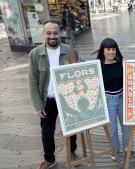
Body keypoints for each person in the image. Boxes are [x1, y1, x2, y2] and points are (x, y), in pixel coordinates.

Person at [28, 20, 79, 169]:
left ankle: (72, 152)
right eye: (48, 33)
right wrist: (38, 105)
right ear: (43, 34)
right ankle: (49, 159)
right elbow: (32, 82)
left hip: (67, 98)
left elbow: (77, 75)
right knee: (47, 132)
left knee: (72, 129)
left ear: (60, 33)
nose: (52, 36)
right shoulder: (35, 54)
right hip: (48, 100)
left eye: (55, 33)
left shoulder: (70, 51)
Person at [96, 38, 135, 160]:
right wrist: (100, 93)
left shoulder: (121, 63)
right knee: (112, 128)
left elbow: (134, 77)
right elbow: (94, 84)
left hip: (122, 98)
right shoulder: (98, 66)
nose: (111, 52)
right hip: (108, 100)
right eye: (108, 49)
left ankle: (128, 147)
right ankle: (114, 149)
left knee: (126, 125)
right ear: (103, 51)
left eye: (113, 49)